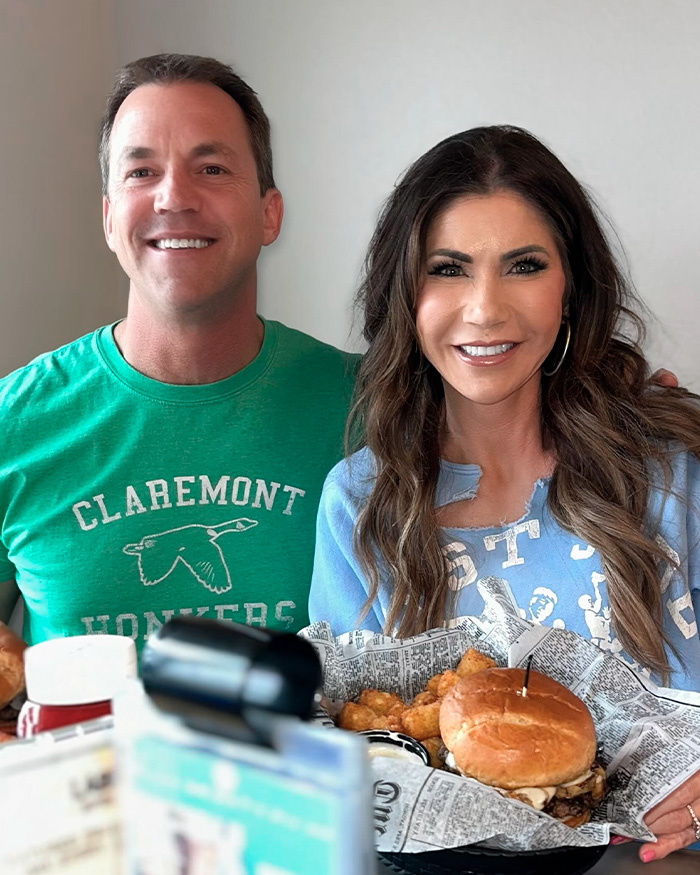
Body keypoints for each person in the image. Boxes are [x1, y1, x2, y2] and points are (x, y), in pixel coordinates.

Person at [308, 126, 700, 858]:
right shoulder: (358, 504)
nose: (485, 308)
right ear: (405, 295)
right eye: (448, 269)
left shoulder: (673, 473)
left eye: (523, 265)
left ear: (572, 287)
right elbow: (344, 774)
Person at [0, 53, 358, 663]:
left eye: (212, 167)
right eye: (141, 172)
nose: (174, 197)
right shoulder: (13, 422)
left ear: (269, 213)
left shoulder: (368, 407)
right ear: (110, 219)